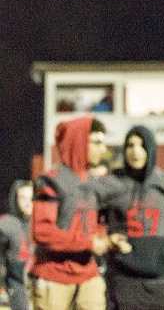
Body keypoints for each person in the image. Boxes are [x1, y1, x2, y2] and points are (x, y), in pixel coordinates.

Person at [98, 125, 164, 310]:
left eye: (142, 145)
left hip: (160, 285)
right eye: (130, 145)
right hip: (121, 284)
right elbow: (90, 222)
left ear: (150, 149)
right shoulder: (110, 186)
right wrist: (105, 240)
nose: (135, 151)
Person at [30, 116, 121, 310]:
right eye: (96, 142)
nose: (102, 149)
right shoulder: (51, 181)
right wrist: (88, 243)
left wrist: (107, 239)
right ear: (79, 141)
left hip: (88, 276)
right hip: (53, 277)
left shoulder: (94, 181)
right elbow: (42, 232)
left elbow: (91, 224)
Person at [0, 181, 33, 310]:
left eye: (31, 197)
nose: (28, 202)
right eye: (23, 197)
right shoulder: (7, 224)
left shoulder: (46, 224)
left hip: (43, 283)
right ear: (15, 199)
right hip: (17, 285)